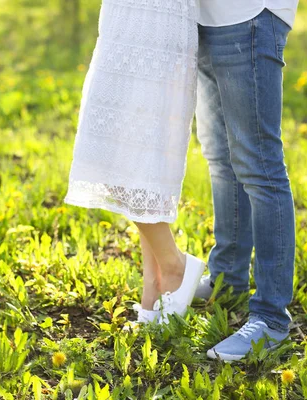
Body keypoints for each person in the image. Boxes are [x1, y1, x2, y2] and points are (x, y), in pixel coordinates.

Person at [64, 1, 206, 325]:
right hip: (124, 15)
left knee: (122, 159)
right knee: (135, 164)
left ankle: (174, 267)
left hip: (157, 17)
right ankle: (153, 289)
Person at [193, 0, 299, 360]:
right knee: (221, 159)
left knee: (260, 167)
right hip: (204, 19)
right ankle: (228, 279)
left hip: (249, 14)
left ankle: (271, 318)